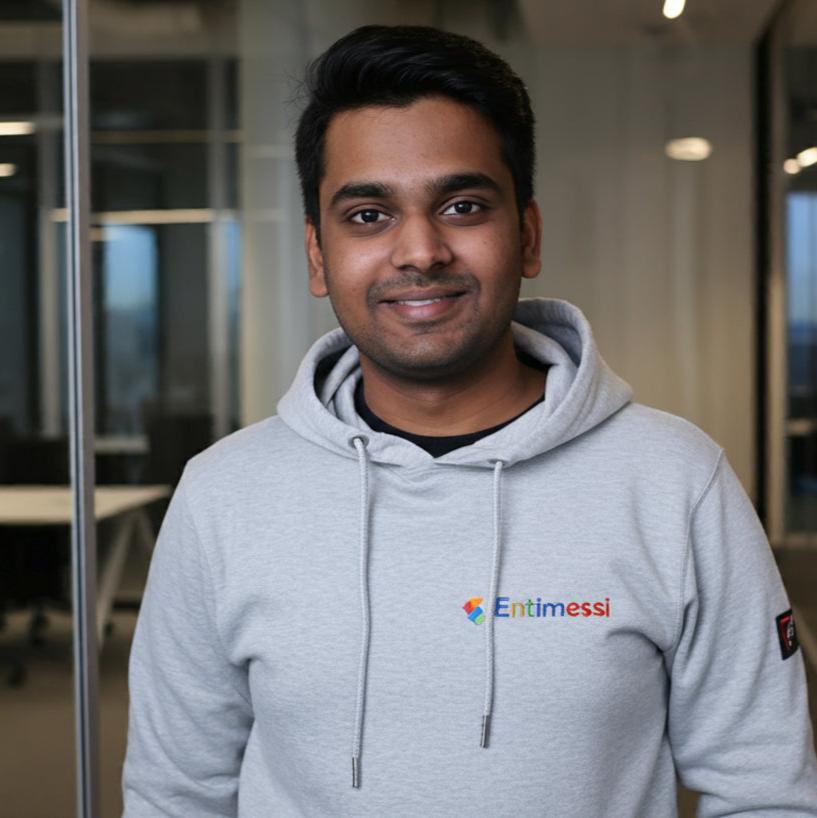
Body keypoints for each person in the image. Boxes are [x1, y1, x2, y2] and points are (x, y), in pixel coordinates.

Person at [122, 24, 817, 817]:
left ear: (527, 234)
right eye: (368, 215)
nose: (419, 251)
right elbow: (174, 795)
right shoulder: (223, 495)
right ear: (317, 256)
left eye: (461, 205)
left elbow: (764, 789)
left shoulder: (673, 480)